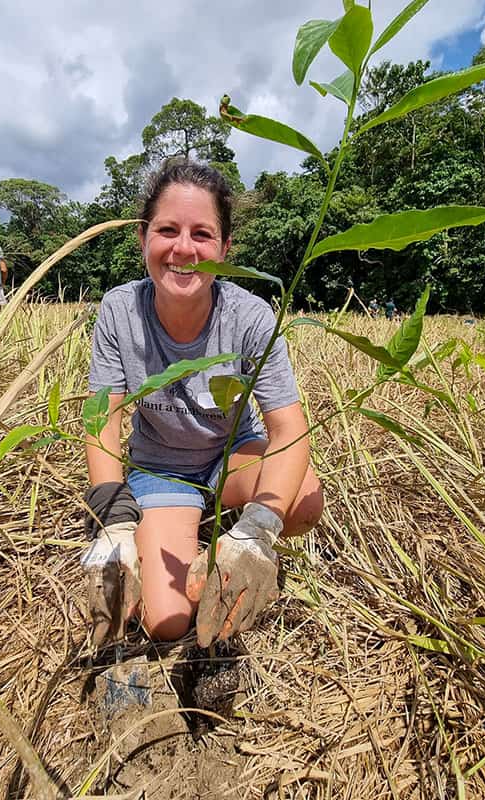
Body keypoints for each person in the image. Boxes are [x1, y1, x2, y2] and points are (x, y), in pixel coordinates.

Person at [79, 159, 325, 650]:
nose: (184, 249)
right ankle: (177, 522)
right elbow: (101, 418)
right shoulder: (120, 310)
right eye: (167, 230)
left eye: (203, 234)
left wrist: (258, 531)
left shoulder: (251, 317)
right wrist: (115, 520)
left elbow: (289, 430)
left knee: (303, 502)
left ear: (225, 248)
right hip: (159, 469)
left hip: (231, 455)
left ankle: (235, 528)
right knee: (167, 621)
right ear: (144, 238)